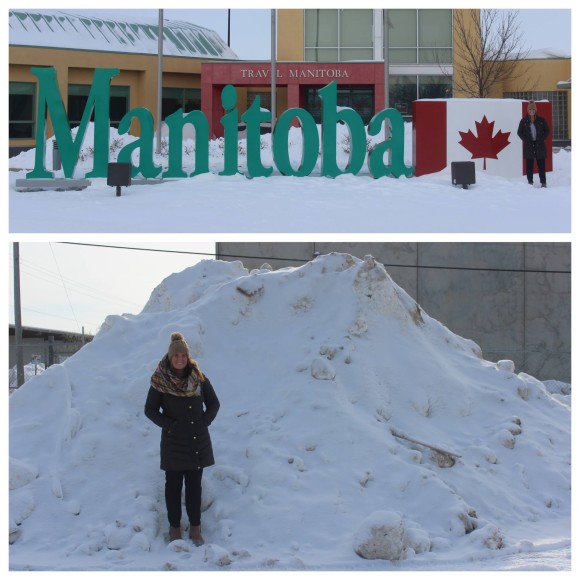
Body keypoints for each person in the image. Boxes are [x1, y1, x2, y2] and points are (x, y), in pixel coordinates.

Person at [145, 332, 220, 545]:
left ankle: (195, 528)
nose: (180, 359)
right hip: (173, 442)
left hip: (197, 440)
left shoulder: (198, 378)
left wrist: (203, 422)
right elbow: (150, 409)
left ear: (188, 357)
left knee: (195, 486)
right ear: (170, 357)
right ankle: (174, 527)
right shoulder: (160, 380)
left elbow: (214, 404)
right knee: (173, 487)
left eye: (183, 355)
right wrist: (170, 425)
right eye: (176, 355)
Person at [517, 100, 550, 188]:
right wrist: (525, 140)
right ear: (527, 110)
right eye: (530, 109)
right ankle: (530, 182)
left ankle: (543, 182)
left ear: (536, 110)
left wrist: (542, 139)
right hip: (529, 145)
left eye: (533, 109)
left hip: (539, 145)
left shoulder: (541, 120)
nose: (532, 111)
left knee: (541, 165)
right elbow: (519, 132)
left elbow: (547, 130)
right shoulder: (524, 121)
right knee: (529, 166)